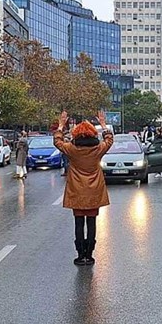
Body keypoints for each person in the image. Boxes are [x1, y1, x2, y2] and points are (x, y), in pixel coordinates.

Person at [54, 110, 114, 266]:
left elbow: (57, 142)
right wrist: (102, 124)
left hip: (77, 190)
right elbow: (109, 140)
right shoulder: (98, 149)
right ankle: (90, 254)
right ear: (93, 134)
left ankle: (80, 255)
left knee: (79, 223)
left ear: (77, 134)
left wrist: (61, 125)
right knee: (92, 222)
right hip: (94, 190)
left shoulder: (72, 149)